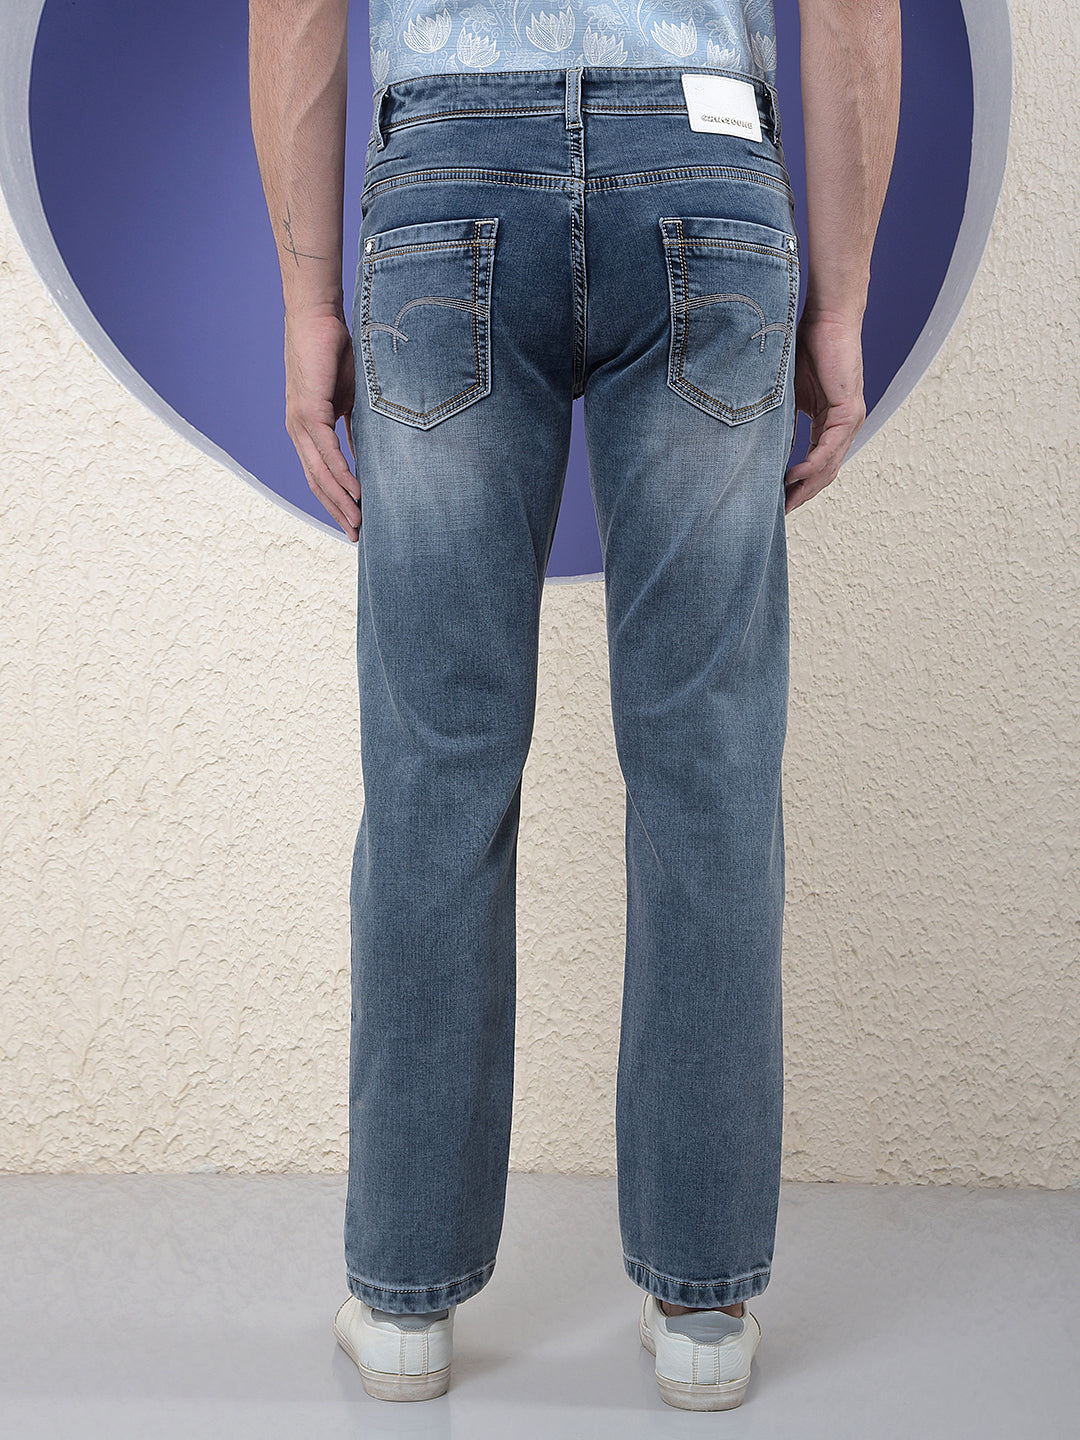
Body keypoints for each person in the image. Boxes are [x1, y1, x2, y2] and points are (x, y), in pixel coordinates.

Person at [249, 0, 900, 1411]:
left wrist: (308, 301)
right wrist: (841, 300)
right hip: (705, 171)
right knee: (708, 762)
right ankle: (705, 1308)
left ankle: (405, 1303)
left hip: (448, 175)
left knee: (436, 761)